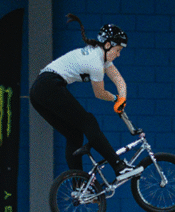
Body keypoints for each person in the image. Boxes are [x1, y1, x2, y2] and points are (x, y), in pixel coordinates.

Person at [29, 15, 138, 179]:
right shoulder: (95, 62)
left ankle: (78, 186)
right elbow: (99, 93)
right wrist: (115, 99)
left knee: (74, 134)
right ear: (108, 45)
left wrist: (122, 98)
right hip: (48, 86)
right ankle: (118, 166)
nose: (118, 54)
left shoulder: (100, 56)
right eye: (118, 50)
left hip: (38, 92)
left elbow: (119, 80)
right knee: (88, 121)